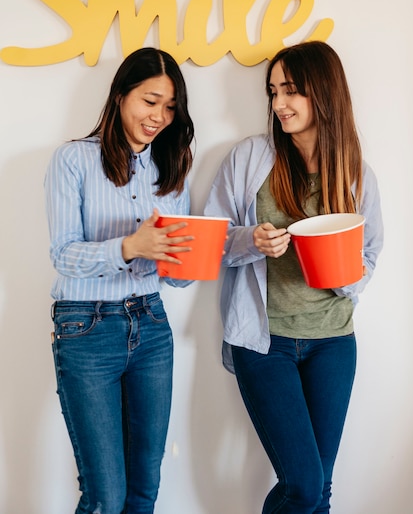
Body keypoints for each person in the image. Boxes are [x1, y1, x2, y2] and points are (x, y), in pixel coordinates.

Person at [204, 41, 383, 513]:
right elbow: (212, 239)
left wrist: (341, 269)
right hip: (265, 344)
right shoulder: (250, 159)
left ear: (323, 94)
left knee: (319, 490)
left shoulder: (356, 174)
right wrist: (252, 242)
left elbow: (371, 254)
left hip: (333, 342)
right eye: (273, 92)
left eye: (291, 91)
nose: (279, 104)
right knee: (302, 484)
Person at [45, 47, 195, 514]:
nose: (160, 117)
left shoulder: (171, 168)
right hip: (86, 328)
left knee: (144, 489)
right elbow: (63, 255)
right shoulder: (72, 160)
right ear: (120, 96)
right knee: (105, 497)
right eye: (150, 101)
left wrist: (189, 259)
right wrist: (131, 246)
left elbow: (179, 279)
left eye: (170, 108)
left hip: (151, 325)